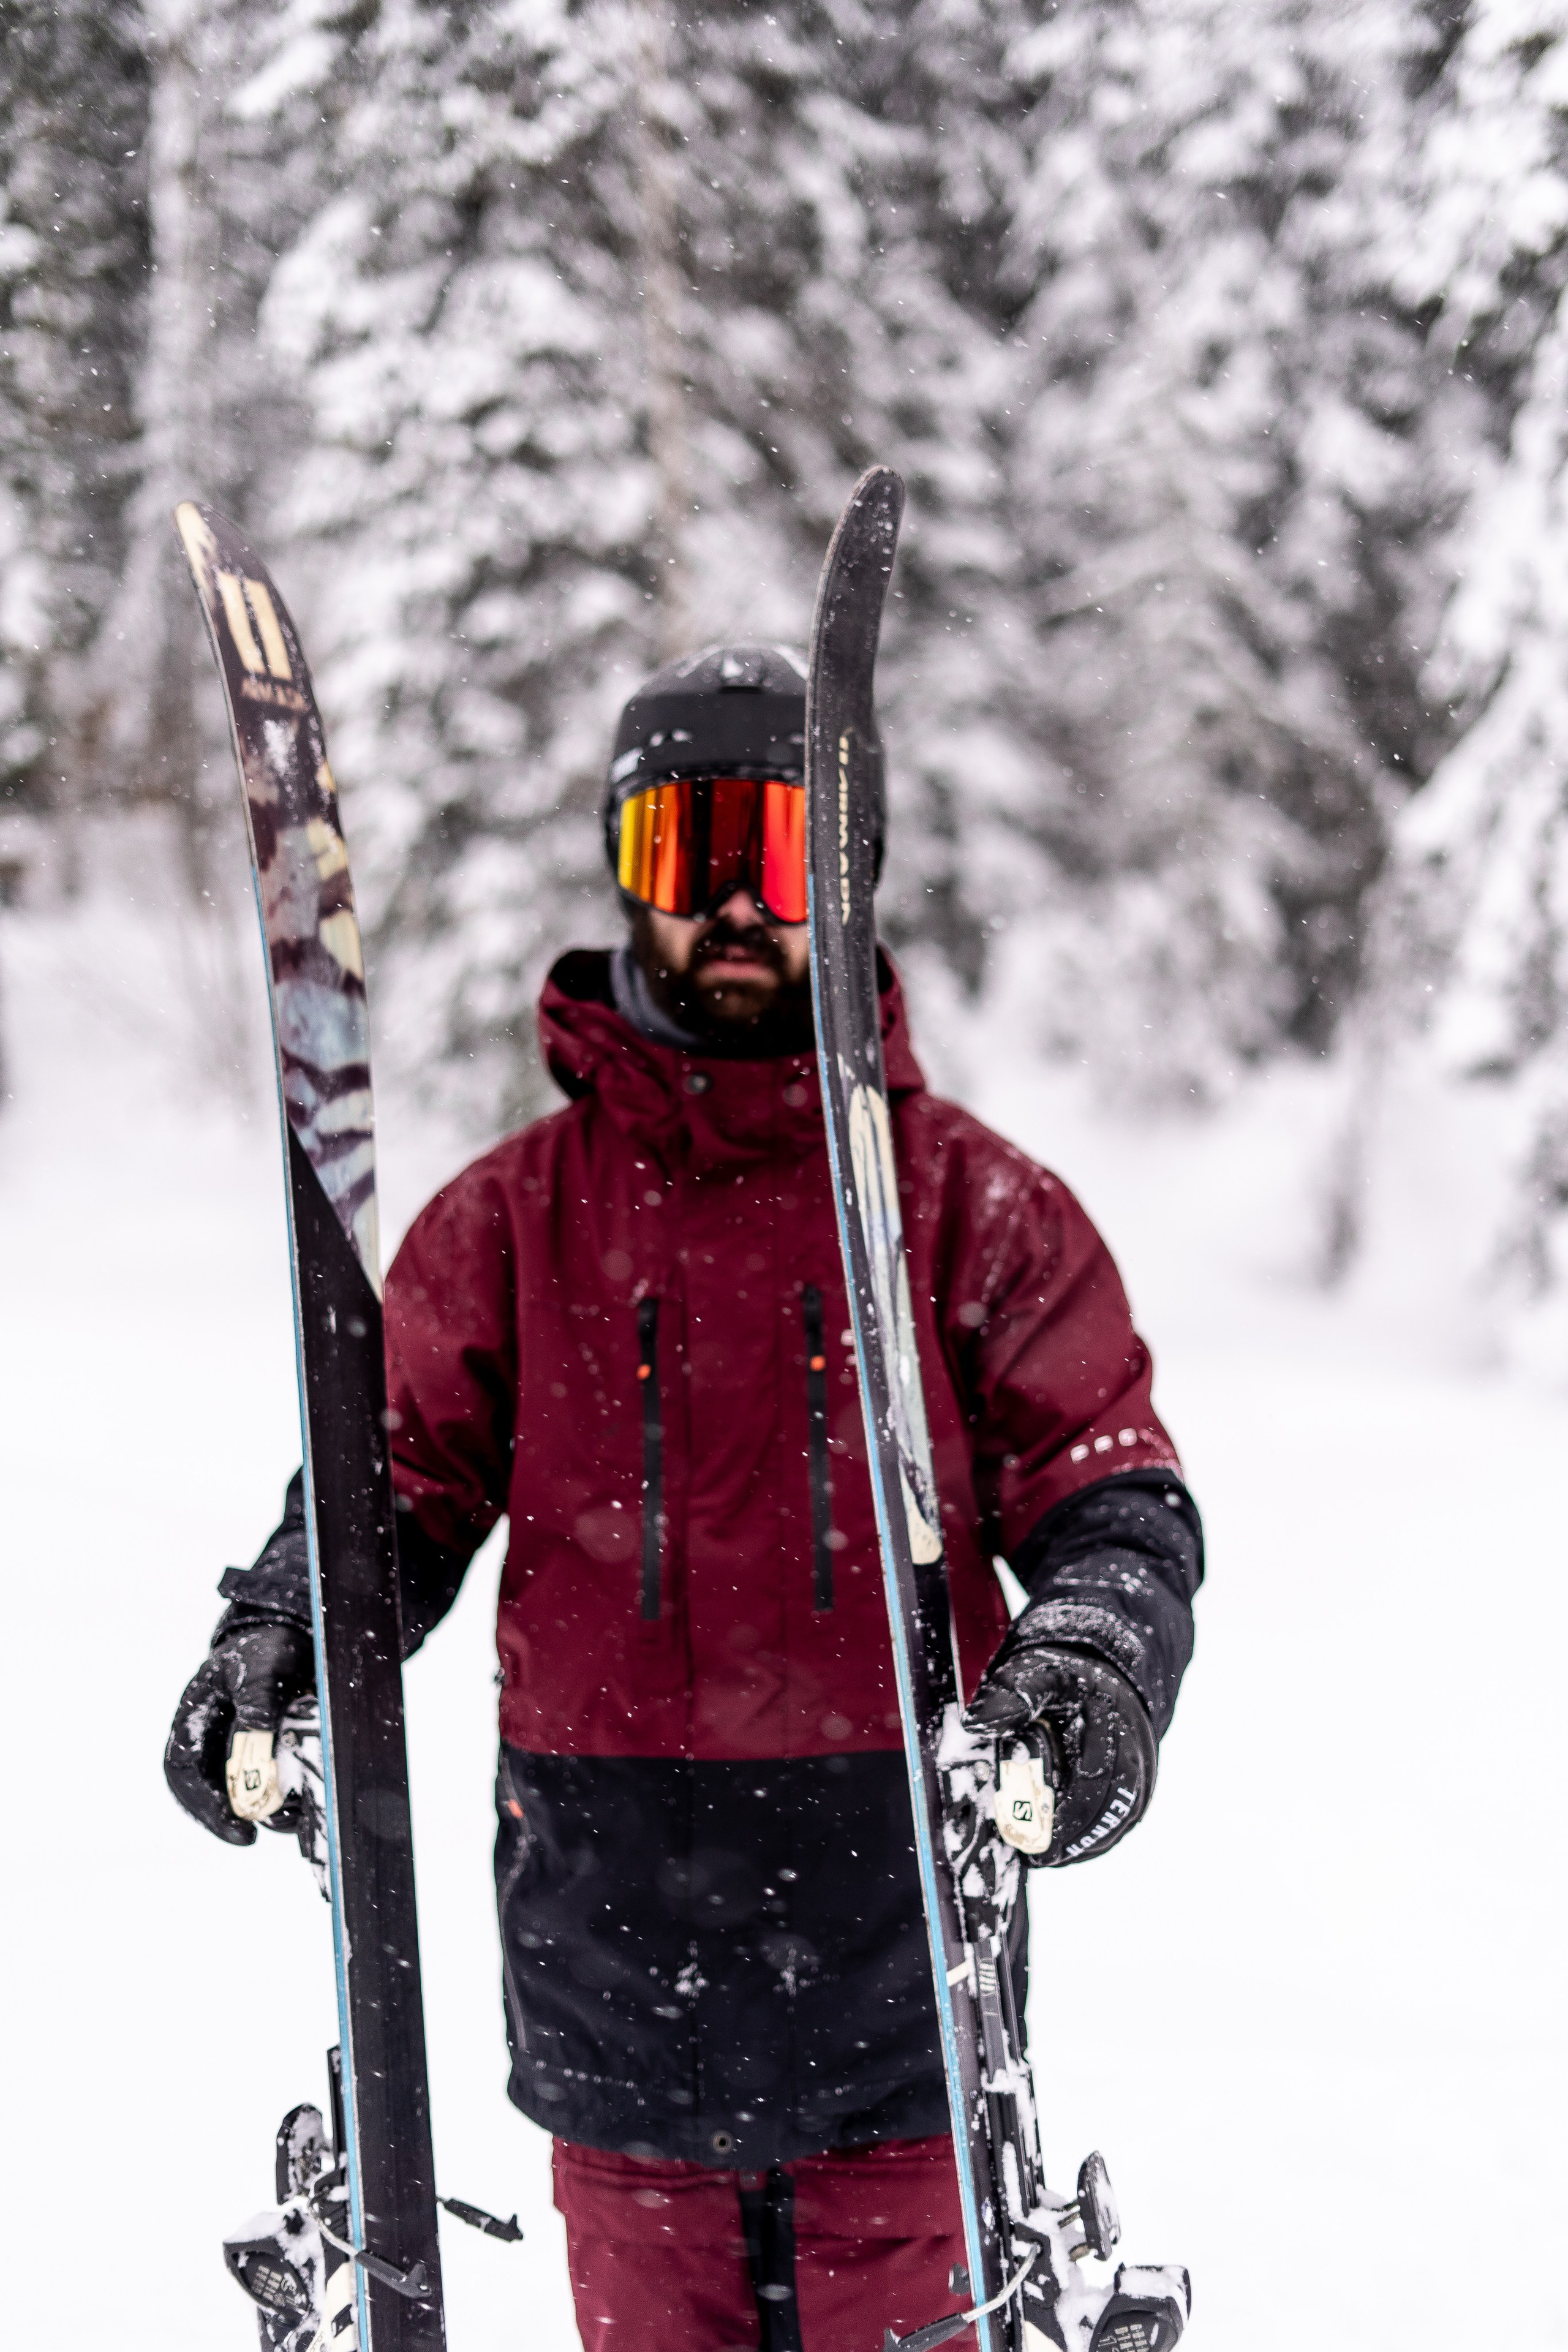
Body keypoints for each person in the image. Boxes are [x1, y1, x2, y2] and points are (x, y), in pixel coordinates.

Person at [165, 643, 1203, 2352]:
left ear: (847, 877)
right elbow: (390, 1495)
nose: (734, 908)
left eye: (781, 860)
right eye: (683, 856)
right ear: (621, 873)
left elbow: (1117, 1497)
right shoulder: (510, 1225)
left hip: (906, 1986)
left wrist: (1088, 1660)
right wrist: (283, 1631)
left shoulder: (965, 1209)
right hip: (615, 1979)